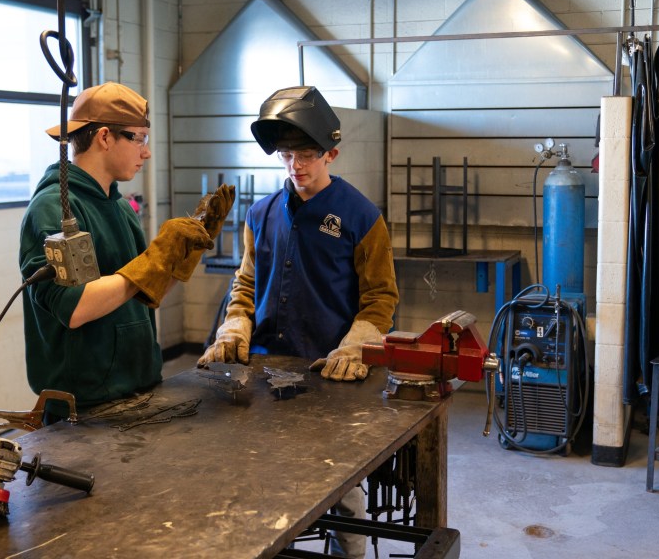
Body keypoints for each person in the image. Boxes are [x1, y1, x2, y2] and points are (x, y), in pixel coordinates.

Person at [198, 85, 398, 558]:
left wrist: (356, 348)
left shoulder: (362, 217)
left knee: (341, 486)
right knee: (262, 478)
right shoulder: (260, 213)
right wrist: (234, 326)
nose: (297, 166)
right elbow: (245, 284)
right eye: (288, 155)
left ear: (332, 153)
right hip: (266, 370)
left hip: (329, 371)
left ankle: (351, 552)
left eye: (307, 154)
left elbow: (380, 297)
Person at [20, 81, 233, 420]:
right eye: (139, 139)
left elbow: (142, 291)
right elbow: (74, 308)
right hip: (83, 410)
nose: (146, 152)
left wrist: (181, 256)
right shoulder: (54, 209)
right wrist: (152, 261)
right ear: (104, 137)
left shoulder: (119, 207)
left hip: (140, 390)